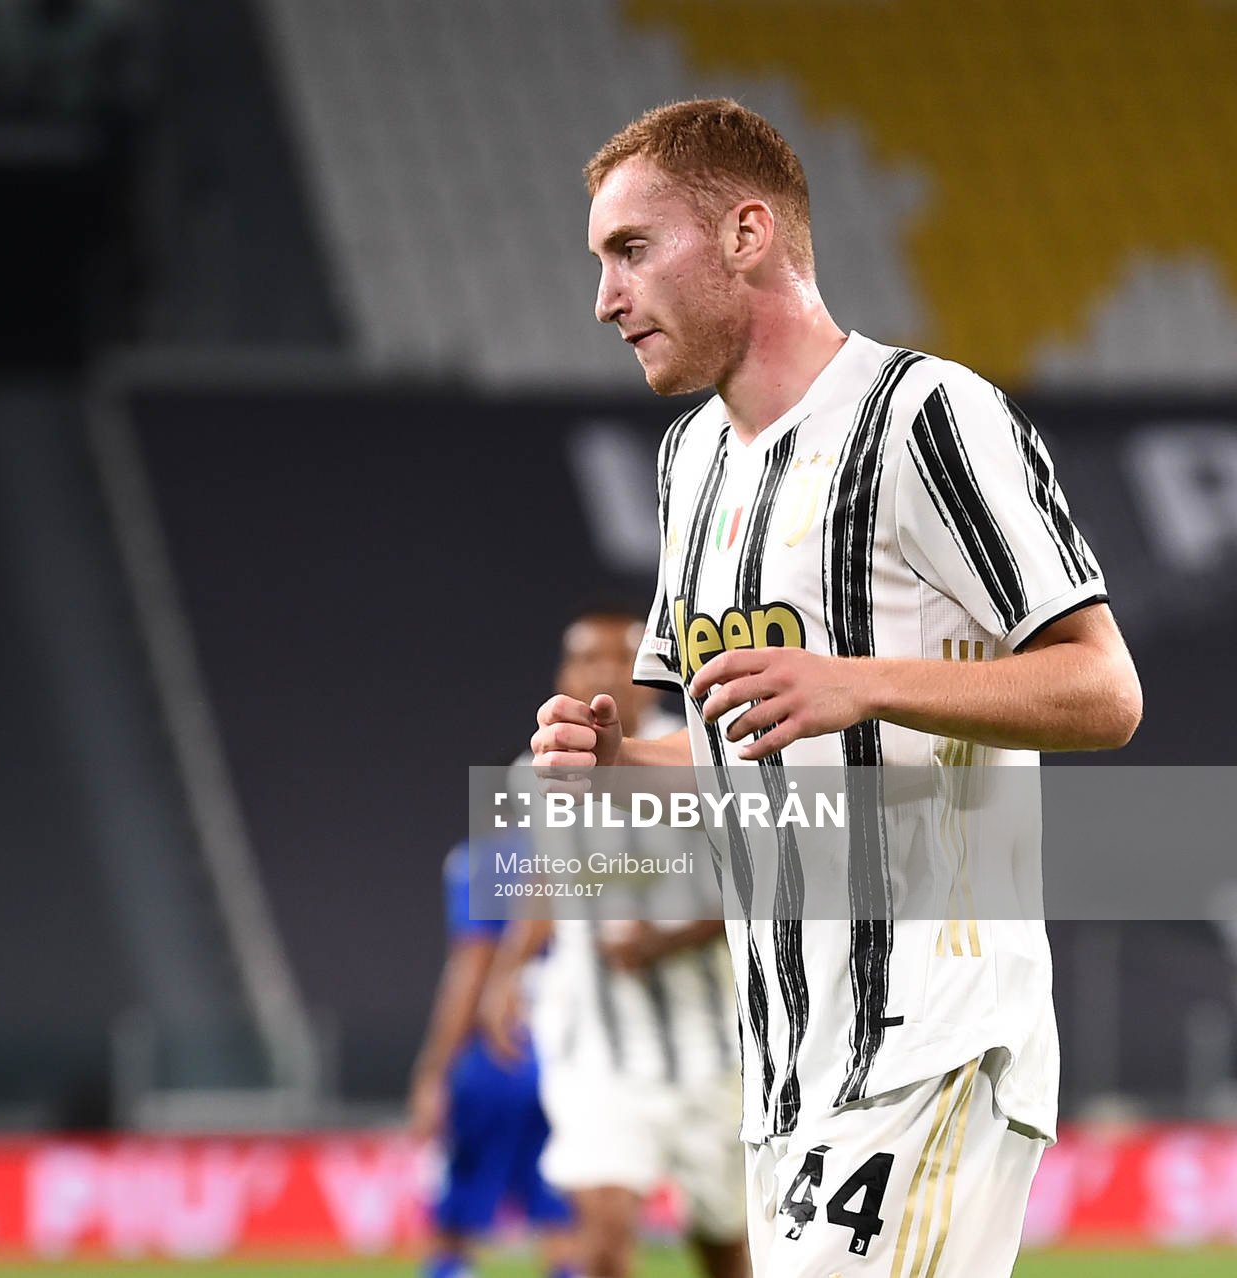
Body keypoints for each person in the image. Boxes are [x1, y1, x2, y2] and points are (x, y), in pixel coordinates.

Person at [530, 99, 1141, 1277]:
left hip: (932, 1035)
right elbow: (748, 746)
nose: (605, 298)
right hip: (783, 1062)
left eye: (632, 250)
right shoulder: (691, 462)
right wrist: (621, 762)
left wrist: (860, 683)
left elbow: (1103, 689)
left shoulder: (926, 416)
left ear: (749, 232)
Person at [485, 608, 749, 1278]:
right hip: (595, 1049)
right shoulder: (537, 767)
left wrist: (664, 940)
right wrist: (508, 970)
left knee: (727, 1250)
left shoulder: (702, 757)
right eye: (584, 659)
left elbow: (759, 884)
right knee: (603, 1244)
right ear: (562, 674)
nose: (599, 672)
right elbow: (550, 874)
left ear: (651, 679)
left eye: (617, 660)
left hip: (709, 1049)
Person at [409, 832, 576, 1278]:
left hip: (497, 1060)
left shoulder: (483, 859)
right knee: (565, 1228)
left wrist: (434, 1071)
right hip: (569, 1057)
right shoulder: (583, 851)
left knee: (454, 1230)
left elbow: (472, 964)